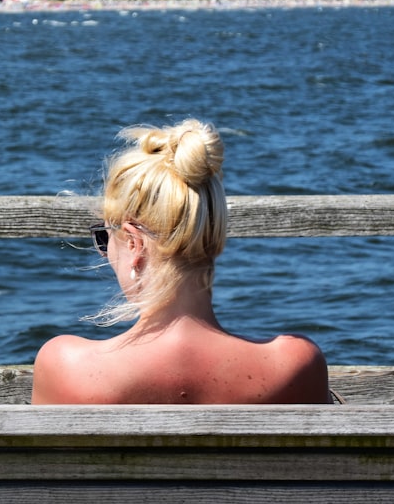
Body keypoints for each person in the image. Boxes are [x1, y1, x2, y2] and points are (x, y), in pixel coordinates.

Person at [31, 118, 329, 404]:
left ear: (135, 243)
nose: (105, 254)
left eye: (105, 239)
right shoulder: (295, 364)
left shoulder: (63, 365)